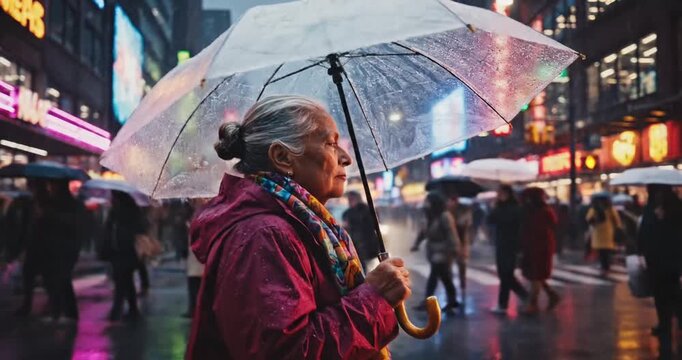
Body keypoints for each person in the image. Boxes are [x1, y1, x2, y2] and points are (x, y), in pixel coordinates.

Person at [186, 95, 409, 359]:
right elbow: (288, 352)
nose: (346, 158)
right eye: (330, 143)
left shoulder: (308, 225)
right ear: (282, 157)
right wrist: (373, 299)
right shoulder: (265, 236)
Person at [637, 185, 682, 360]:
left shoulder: (664, 210)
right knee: (669, 292)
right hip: (666, 260)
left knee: (664, 295)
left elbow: (644, 235)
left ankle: (665, 330)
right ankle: (667, 326)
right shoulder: (664, 208)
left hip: (662, 260)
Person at [44, 180, 87, 322]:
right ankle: (62, 312)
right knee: (58, 279)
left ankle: (66, 312)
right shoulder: (53, 203)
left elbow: (73, 226)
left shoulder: (69, 205)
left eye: (53, 185)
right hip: (57, 247)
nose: (51, 187)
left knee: (62, 279)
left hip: (65, 248)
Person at [411, 192, 460, 314]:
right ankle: (452, 300)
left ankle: (428, 301)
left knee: (434, 276)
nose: (425, 203)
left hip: (443, 252)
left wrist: (454, 250)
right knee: (445, 277)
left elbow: (451, 235)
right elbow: (423, 233)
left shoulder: (444, 216)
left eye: (428, 201)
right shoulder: (430, 216)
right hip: (433, 251)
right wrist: (416, 244)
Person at [102, 191, 146, 321]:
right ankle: (132, 310)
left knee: (121, 282)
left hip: (122, 251)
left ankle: (116, 311)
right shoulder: (129, 211)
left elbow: (110, 231)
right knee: (126, 282)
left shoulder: (118, 213)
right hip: (125, 252)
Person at [487, 185, 528, 314]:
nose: (500, 195)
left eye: (502, 193)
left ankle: (503, 303)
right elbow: (490, 220)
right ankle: (525, 296)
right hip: (501, 244)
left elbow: (514, 223)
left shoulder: (515, 209)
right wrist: (494, 207)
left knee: (506, 274)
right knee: (505, 274)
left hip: (511, 244)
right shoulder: (499, 207)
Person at [519, 187, 560, 315]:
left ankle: (533, 304)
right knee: (535, 275)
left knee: (536, 275)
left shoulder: (542, 211)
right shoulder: (536, 211)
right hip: (534, 245)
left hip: (540, 246)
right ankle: (551, 294)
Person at [13, 181, 50, 317]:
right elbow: (25, 226)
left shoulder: (48, 204)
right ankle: (27, 305)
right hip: (33, 246)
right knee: (29, 276)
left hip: (44, 246)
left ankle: (50, 305)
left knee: (46, 277)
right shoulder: (29, 204)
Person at [342, 191, 380, 272]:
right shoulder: (348, 213)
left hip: (366, 243)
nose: (350, 201)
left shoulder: (366, 210)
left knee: (369, 266)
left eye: (351, 199)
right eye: (349, 199)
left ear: (357, 199)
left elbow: (374, 224)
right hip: (358, 244)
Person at [586, 196, 622, 275]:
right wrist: (618, 228)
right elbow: (617, 221)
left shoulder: (594, 209)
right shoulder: (610, 209)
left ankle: (604, 267)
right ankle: (606, 267)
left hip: (598, 233)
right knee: (606, 251)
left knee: (601, 252)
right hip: (608, 233)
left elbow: (588, 219)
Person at [447, 194, 472, 292]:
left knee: (462, 265)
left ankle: (462, 284)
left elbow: (466, 225)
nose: (451, 203)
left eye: (453, 201)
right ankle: (451, 288)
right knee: (448, 267)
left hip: (462, 242)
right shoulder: (446, 212)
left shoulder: (464, 210)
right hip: (450, 242)